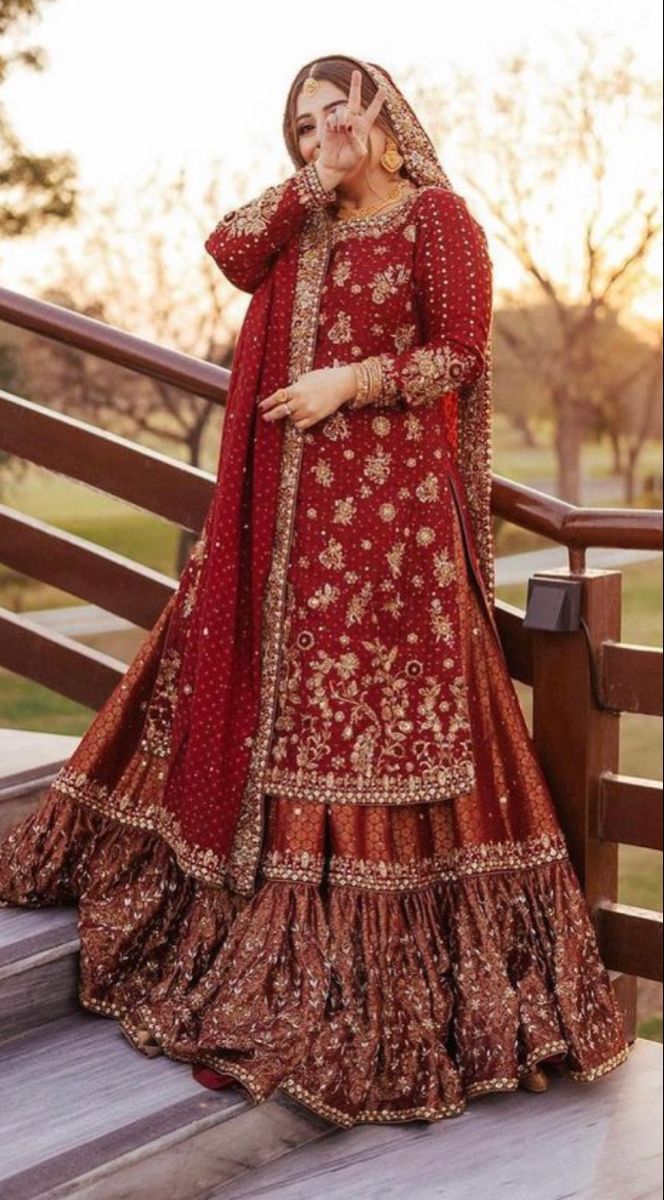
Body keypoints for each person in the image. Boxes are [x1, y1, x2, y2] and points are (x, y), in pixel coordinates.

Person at [0, 54, 630, 1129]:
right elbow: (227, 250)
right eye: (303, 123)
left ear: (389, 118)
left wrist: (354, 381)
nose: (323, 132)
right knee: (282, 733)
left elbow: (459, 356)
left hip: (393, 537)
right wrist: (311, 182)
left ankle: (377, 994)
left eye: (342, 111)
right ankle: (262, 950)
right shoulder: (298, 221)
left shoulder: (438, 218)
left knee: (379, 740)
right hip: (282, 535)